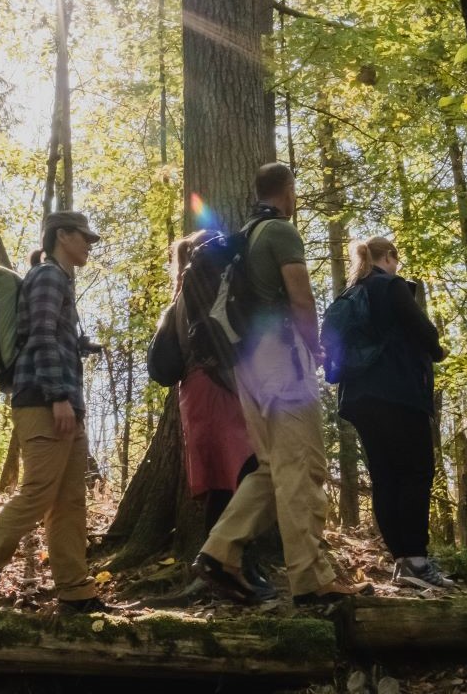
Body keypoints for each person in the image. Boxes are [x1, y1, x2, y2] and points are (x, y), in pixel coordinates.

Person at [194, 164, 358, 606]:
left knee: (272, 468)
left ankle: (220, 550)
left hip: (247, 365)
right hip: (283, 359)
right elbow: (301, 297)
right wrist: (317, 346)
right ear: (288, 190)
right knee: (303, 468)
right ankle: (311, 580)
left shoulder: (244, 236)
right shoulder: (281, 232)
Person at [0, 211, 110, 614]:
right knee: (39, 491)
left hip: (64, 400)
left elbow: (48, 336)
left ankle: (75, 590)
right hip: (44, 400)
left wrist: (77, 350)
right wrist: (58, 394)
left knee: (71, 499)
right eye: (84, 238)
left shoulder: (58, 278)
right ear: (63, 236)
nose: (88, 245)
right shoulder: (49, 276)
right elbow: (38, 335)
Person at [335, 236, 455, 593]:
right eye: (395, 260)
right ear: (388, 257)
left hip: (358, 396)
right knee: (416, 471)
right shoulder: (391, 286)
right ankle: (416, 560)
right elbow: (424, 332)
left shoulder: (351, 293)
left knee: (385, 475)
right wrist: (437, 348)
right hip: (399, 392)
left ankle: (403, 560)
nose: (397, 266)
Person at [161, 231, 268, 597]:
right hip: (216, 388)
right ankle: (228, 566)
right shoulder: (199, 297)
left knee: (225, 480)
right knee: (240, 473)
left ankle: (227, 565)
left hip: (195, 392)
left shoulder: (178, 301)